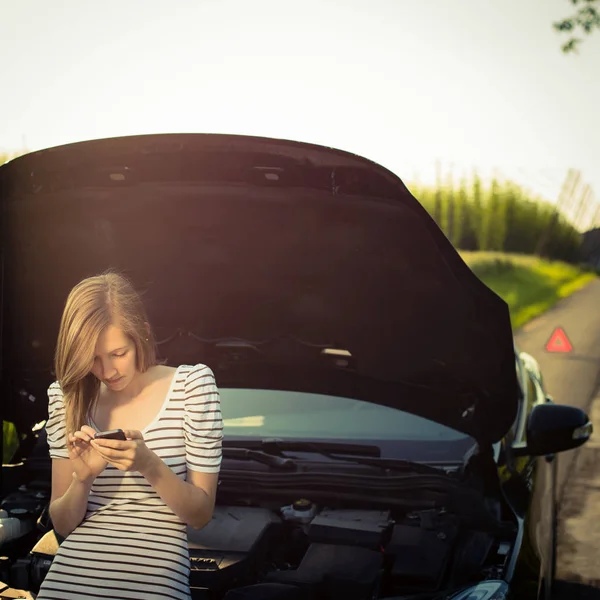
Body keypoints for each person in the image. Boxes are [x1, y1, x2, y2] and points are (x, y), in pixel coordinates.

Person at [36, 271, 223, 600]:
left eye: (117, 354)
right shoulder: (66, 397)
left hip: (153, 585)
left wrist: (150, 465)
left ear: (143, 336)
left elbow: (200, 515)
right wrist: (83, 478)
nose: (107, 371)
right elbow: (63, 525)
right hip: (68, 582)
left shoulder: (192, 387)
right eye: (92, 359)